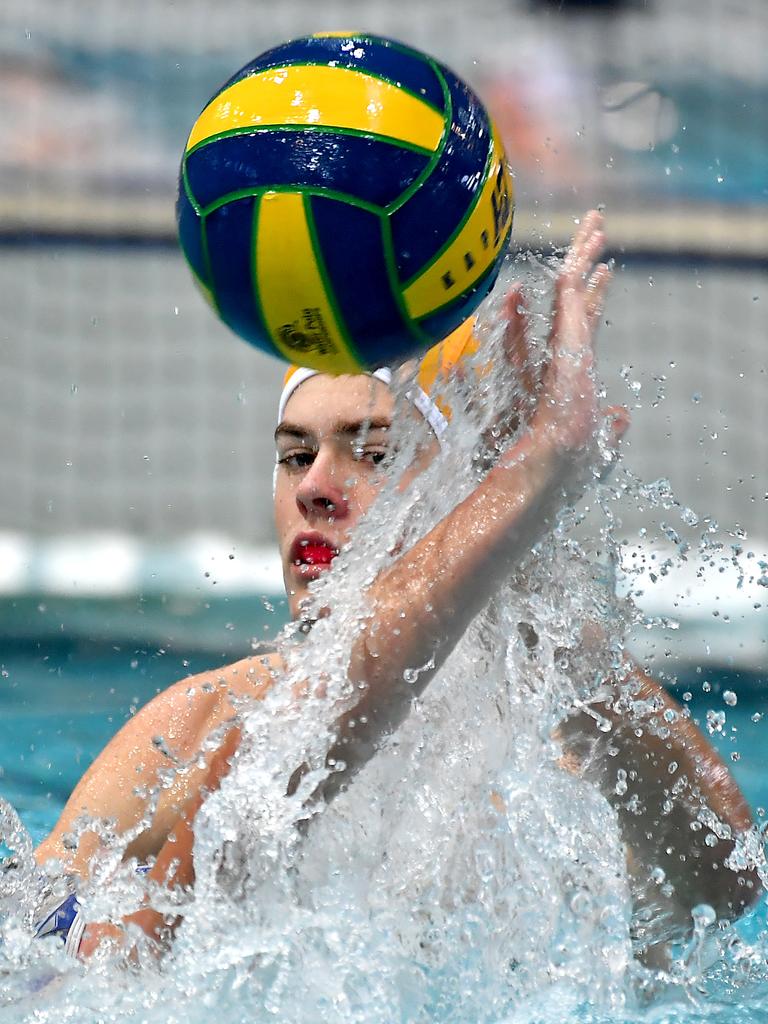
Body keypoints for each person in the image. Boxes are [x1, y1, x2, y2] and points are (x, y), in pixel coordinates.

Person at [33, 212, 760, 962]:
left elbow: (722, 889)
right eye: (294, 455)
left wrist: (528, 569)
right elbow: (40, 954)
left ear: (457, 490)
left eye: (372, 452)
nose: (315, 487)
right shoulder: (197, 724)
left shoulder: (551, 766)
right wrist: (538, 470)